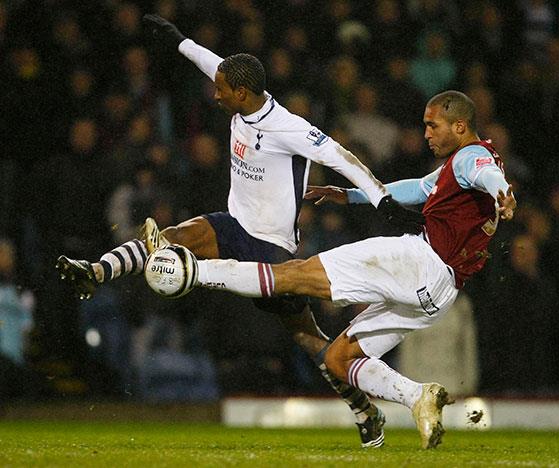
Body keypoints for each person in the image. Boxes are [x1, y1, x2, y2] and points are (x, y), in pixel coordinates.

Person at [56, 13, 424, 448]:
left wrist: (383, 200)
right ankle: (96, 272)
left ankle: (365, 409)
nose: (215, 94)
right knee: (174, 234)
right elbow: (209, 61)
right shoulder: (239, 90)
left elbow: (342, 157)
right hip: (232, 226)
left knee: (309, 339)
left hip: (271, 250)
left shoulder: (288, 126)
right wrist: (179, 40)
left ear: (242, 93)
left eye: (221, 90)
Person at [175, 90, 517, 448]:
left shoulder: (472, 157)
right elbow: (419, 188)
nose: (426, 134)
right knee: (339, 360)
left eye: (433, 126)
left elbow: (487, 175)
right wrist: (352, 194)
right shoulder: (460, 163)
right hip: (440, 292)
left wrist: (503, 193)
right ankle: (417, 396)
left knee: (294, 275)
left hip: (420, 262)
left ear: (459, 126)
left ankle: (194, 272)